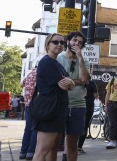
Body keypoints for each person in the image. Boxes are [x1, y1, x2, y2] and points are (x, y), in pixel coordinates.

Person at [33, 33, 75, 161]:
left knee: (53, 148)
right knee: (42, 150)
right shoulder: (47, 63)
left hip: (57, 110)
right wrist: (70, 83)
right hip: (49, 109)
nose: (59, 45)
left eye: (62, 43)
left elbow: (71, 84)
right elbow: (65, 85)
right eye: (55, 42)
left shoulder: (57, 64)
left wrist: (70, 82)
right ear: (47, 45)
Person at [56, 31, 90, 161]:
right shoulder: (59, 58)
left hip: (78, 106)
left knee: (72, 143)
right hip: (60, 105)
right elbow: (57, 80)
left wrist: (80, 58)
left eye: (80, 42)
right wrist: (77, 82)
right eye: (75, 40)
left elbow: (84, 78)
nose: (76, 43)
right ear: (68, 41)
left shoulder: (84, 61)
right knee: (55, 141)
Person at [19, 67, 38, 160]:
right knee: (35, 128)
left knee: (28, 128)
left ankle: (23, 152)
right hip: (36, 104)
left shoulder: (30, 74)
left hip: (27, 104)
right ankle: (30, 152)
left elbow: (21, 84)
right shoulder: (41, 73)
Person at [77, 79, 98, 154]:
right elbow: (96, 95)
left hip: (79, 105)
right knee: (85, 126)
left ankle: (75, 147)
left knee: (77, 126)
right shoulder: (92, 83)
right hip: (89, 107)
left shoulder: (79, 82)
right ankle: (79, 147)